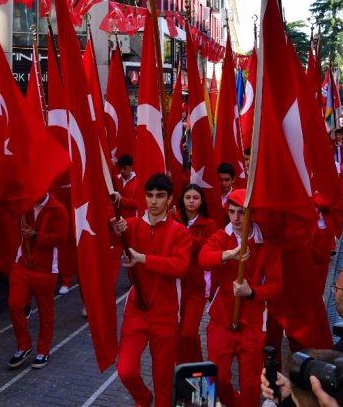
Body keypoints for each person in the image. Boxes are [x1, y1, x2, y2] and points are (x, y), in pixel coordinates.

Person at [112, 173, 193, 407]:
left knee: (163, 378)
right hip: (136, 310)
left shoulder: (180, 232)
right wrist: (115, 229)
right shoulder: (133, 226)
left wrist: (143, 259)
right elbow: (115, 240)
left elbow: (180, 267)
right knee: (125, 370)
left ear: (169, 200)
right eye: (149, 196)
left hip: (166, 314)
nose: (154, 201)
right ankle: (143, 398)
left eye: (160, 196)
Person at [199, 193, 280, 407]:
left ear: (251, 213)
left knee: (251, 385)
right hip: (221, 319)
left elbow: (275, 287)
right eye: (231, 211)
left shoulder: (267, 245)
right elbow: (203, 259)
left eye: (241, 212)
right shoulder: (220, 237)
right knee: (218, 377)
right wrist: (228, 255)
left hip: (253, 323)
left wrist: (251, 292)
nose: (235, 218)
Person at [7, 192, 67, 370]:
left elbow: (61, 238)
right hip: (23, 264)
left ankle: (43, 350)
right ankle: (24, 345)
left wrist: (35, 235)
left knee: (45, 311)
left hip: (46, 268)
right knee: (14, 304)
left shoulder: (58, 209)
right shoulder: (24, 205)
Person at [175, 184, 216, 365]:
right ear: (182, 200)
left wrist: (185, 234)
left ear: (201, 201)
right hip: (175, 286)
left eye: (196, 198)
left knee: (189, 332)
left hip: (197, 287)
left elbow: (208, 249)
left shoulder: (208, 224)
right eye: (188, 198)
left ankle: (199, 372)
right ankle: (183, 372)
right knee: (177, 333)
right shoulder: (173, 219)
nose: (191, 201)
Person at [115, 154, 138, 218]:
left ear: (131, 167)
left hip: (132, 220)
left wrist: (121, 199)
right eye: (120, 168)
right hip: (116, 220)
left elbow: (137, 203)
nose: (122, 171)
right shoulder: (115, 180)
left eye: (124, 168)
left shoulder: (138, 182)